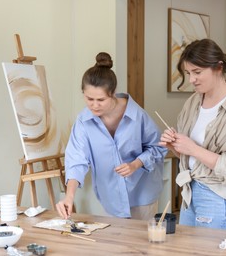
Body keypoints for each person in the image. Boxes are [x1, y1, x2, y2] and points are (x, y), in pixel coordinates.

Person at [159, 38, 226, 231]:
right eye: (188, 73)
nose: (191, 80)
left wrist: (193, 149)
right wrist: (176, 146)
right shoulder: (193, 102)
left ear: (218, 67)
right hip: (192, 193)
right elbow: (194, 160)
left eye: (197, 72)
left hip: (221, 200)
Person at [56, 52, 167, 220]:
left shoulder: (137, 116)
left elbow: (158, 147)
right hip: (111, 197)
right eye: (89, 98)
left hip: (142, 193)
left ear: (113, 93)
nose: (94, 105)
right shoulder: (83, 122)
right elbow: (76, 160)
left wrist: (135, 165)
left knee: (143, 244)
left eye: (100, 100)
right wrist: (69, 196)